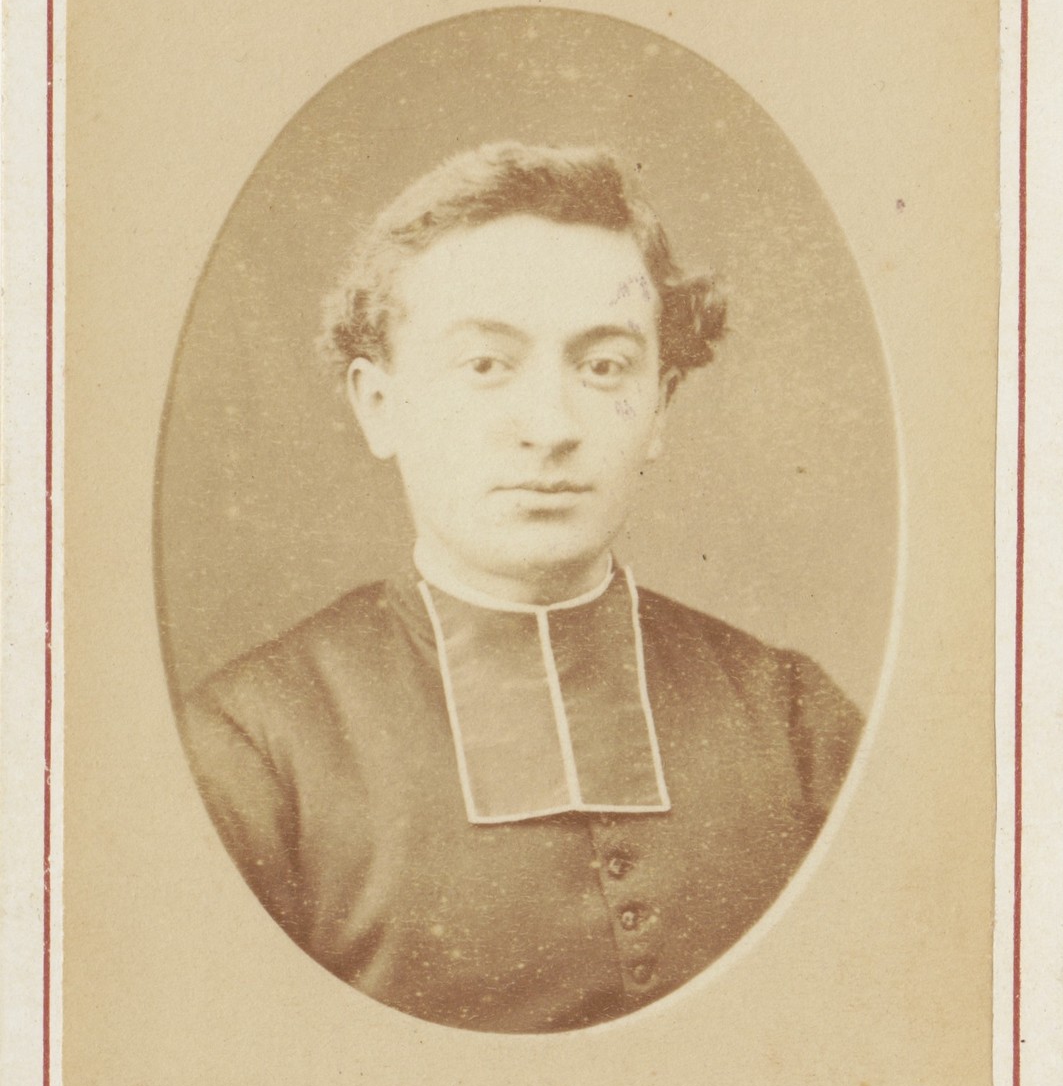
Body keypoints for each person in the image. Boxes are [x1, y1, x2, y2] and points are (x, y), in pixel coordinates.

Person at [182, 141, 863, 1034]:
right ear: (379, 405)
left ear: (660, 406)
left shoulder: (792, 717)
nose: (549, 426)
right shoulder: (248, 751)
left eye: (604, 367)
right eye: (485, 364)